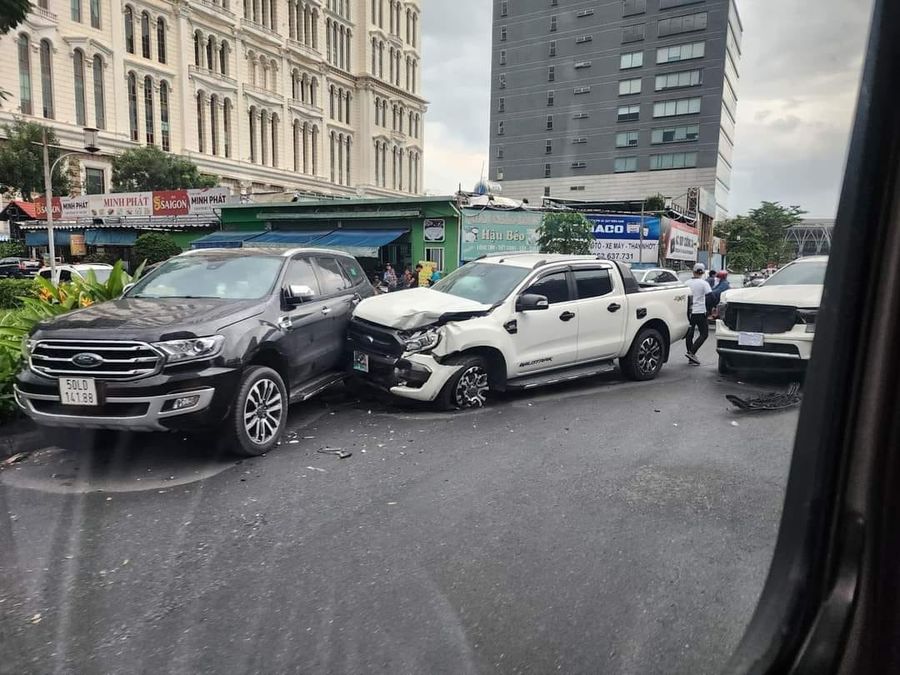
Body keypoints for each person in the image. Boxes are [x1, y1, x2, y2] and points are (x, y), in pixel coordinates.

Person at [685, 263, 712, 365]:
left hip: (689, 312)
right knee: (704, 334)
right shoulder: (704, 283)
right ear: (703, 272)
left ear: (693, 271)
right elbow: (710, 296)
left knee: (689, 334)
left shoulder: (686, 283)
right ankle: (692, 352)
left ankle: (690, 356)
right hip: (700, 312)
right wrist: (709, 309)